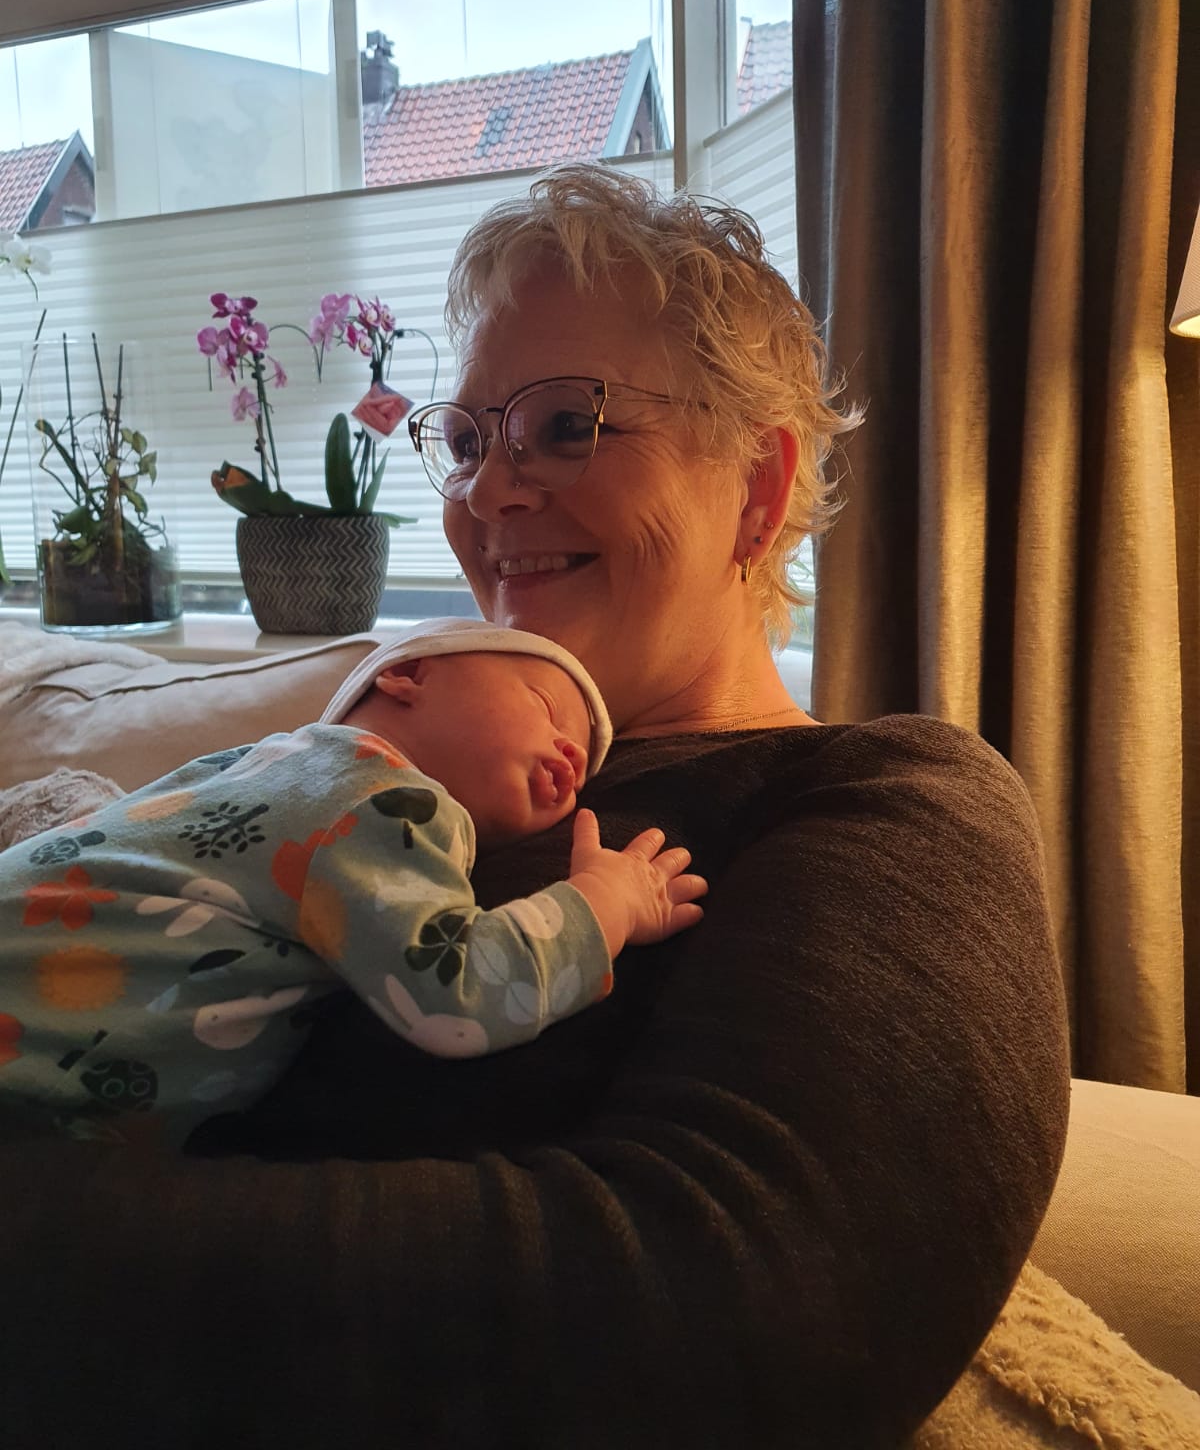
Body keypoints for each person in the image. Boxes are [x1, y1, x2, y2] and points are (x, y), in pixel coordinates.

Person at [2, 165, 1070, 1449]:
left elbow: (750, 1311)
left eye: (567, 424)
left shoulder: (889, 801)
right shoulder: (388, 759)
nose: (488, 492)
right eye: (466, 439)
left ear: (755, 487)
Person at [0, 619, 705, 1146]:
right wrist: (603, 904)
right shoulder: (383, 798)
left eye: (584, 764)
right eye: (547, 709)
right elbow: (456, 994)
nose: (574, 753)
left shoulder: (266, 765)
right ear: (408, 676)